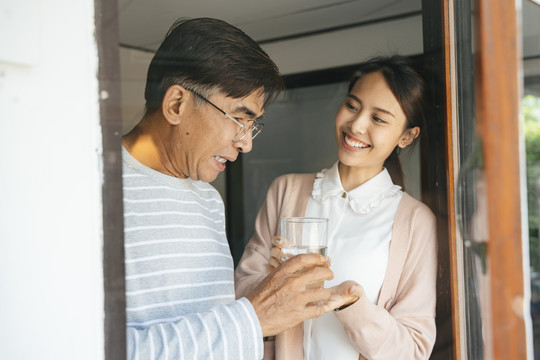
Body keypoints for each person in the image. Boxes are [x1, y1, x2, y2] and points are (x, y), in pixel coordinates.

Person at [122, 17, 359, 360]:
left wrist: (268, 302)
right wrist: (253, 318)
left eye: (252, 126)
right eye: (238, 119)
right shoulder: (88, 192)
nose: (246, 143)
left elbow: (219, 340)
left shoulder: (207, 200)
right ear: (176, 104)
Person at [235, 55, 438, 359]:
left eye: (378, 118)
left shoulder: (414, 221)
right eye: (352, 106)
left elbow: (413, 350)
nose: (356, 125)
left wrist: (353, 305)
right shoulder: (286, 190)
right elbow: (238, 299)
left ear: (407, 136)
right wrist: (276, 281)